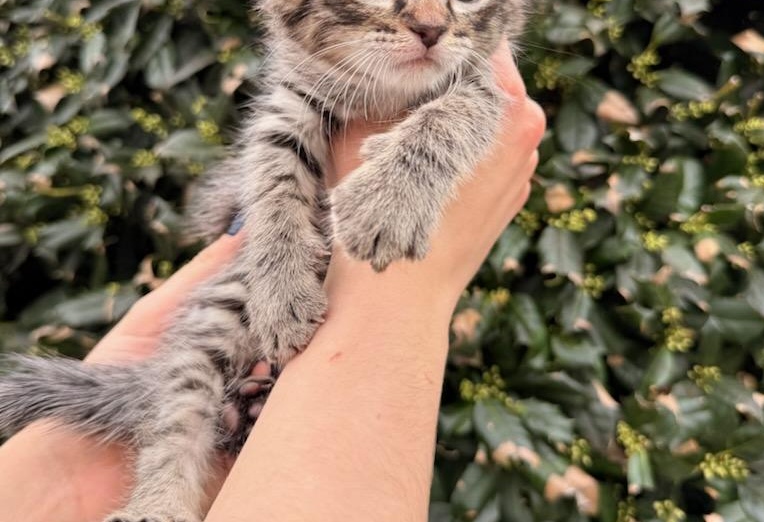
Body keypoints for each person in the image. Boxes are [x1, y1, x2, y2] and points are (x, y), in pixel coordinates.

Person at [0, 45, 544, 522]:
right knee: (207, 346)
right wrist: (402, 285)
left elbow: (481, 100)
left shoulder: (462, 60)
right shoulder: (316, 63)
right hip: (266, 292)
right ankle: (161, 497)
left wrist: (417, 166)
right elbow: (281, 139)